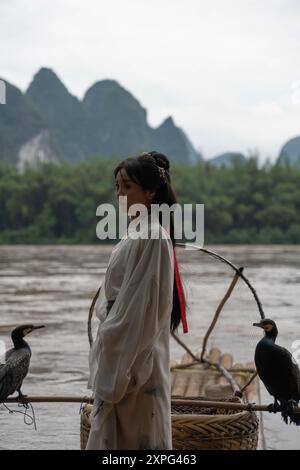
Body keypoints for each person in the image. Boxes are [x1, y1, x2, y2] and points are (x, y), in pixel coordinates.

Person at [86, 151, 188, 450]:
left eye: (127, 186)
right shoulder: (138, 233)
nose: (119, 194)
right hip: (126, 356)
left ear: (150, 191)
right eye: (117, 186)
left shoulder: (153, 236)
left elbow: (141, 313)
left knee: (140, 441)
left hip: (135, 364)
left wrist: (118, 370)